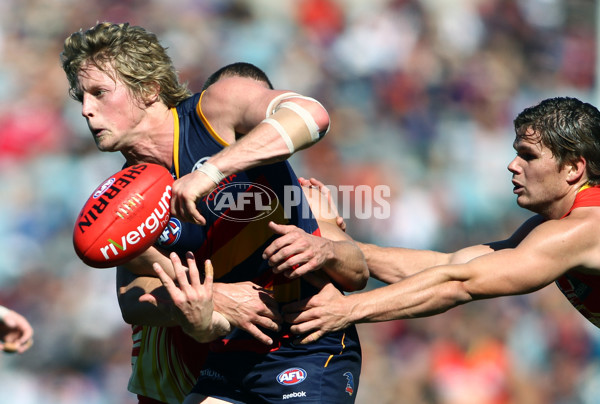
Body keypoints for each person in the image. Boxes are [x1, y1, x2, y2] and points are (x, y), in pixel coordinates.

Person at [61, 22, 366, 404]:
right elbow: (132, 296)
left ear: (149, 89)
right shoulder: (130, 194)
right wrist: (212, 298)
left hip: (307, 338)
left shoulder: (216, 108)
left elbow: (311, 115)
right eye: (82, 98)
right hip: (230, 353)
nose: (87, 110)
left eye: (100, 93)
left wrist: (209, 172)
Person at [282, 96, 600, 345]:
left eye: (528, 156)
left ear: (573, 168)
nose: (512, 165)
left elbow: (459, 284)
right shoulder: (552, 227)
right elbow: (449, 265)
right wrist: (335, 247)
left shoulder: (585, 226)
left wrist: (348, 309)